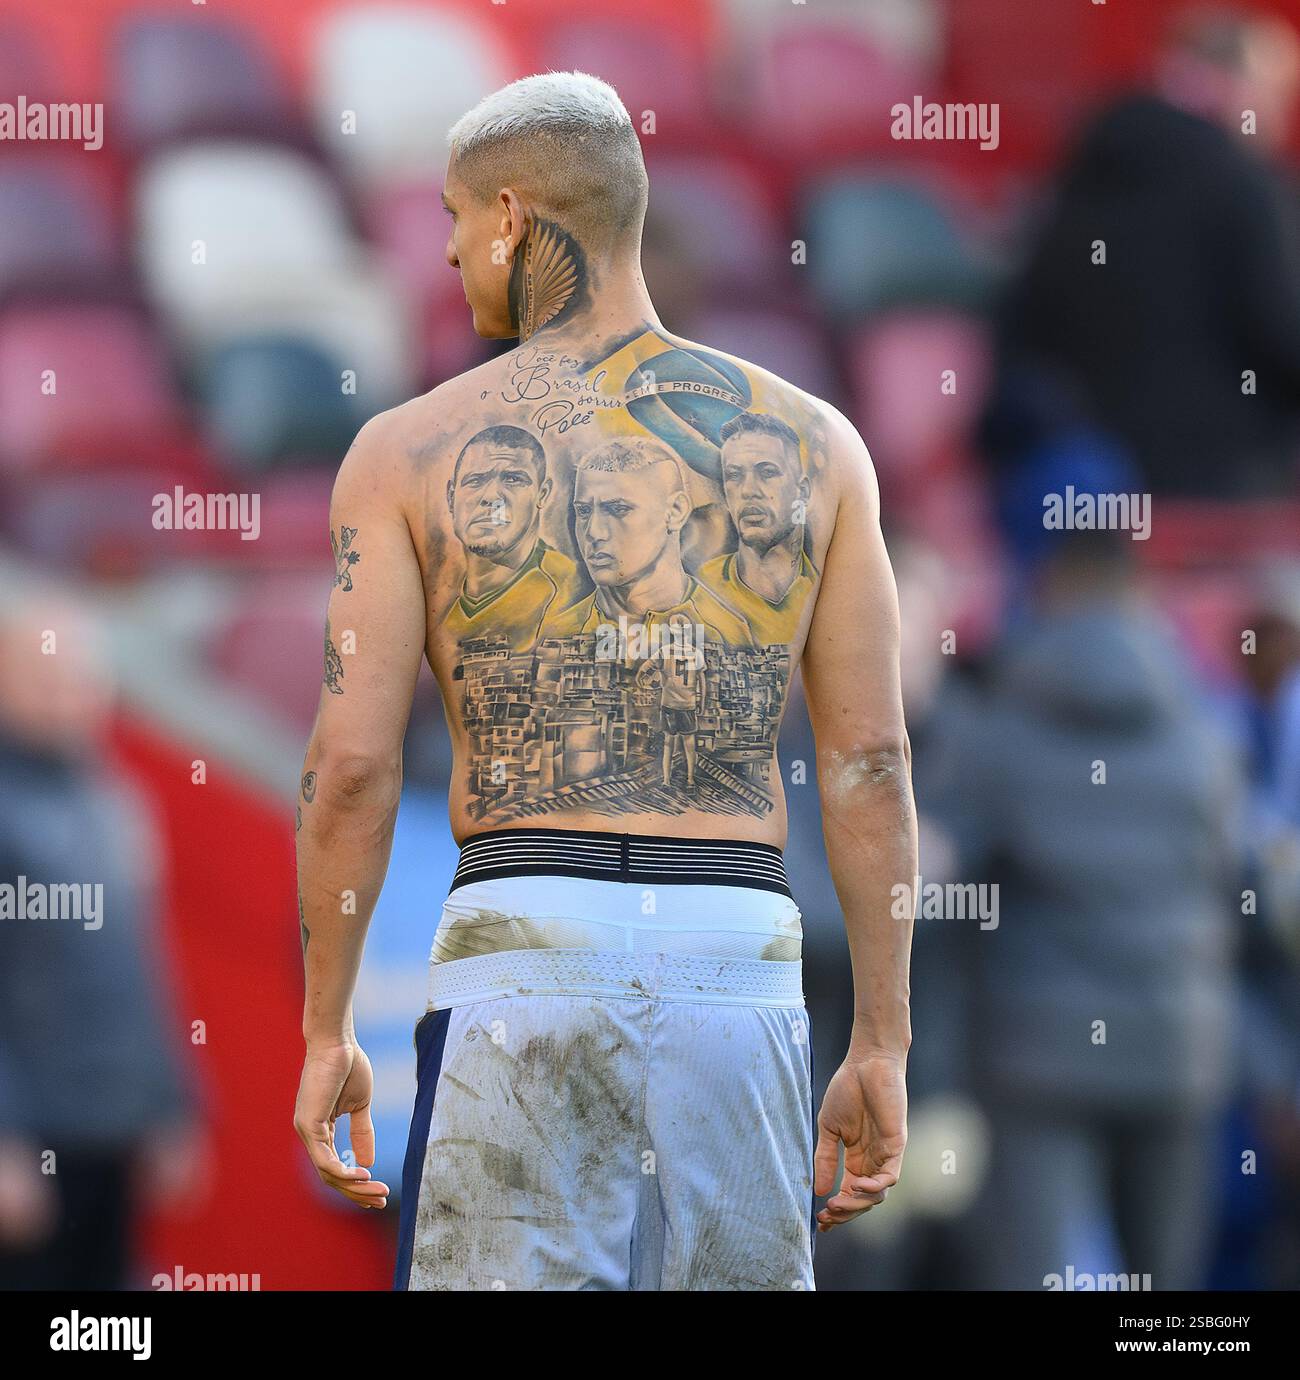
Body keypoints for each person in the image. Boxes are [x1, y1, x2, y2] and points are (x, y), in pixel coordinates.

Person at [292, 71, 916, 1291]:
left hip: (523, 950)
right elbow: (868, 762)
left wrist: (326, 1026)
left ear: (515, 217)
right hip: (740, 958)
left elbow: (354, 768)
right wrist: (883, 1042)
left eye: (457, 221)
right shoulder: (817, 445)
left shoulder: (406, 451)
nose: (454, 252)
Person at [989, 5, 1300, 497]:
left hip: (1090, 490)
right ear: (1229, 83)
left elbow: (1021, 321)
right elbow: (1284, 337)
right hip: (1224, 490)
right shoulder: (1243, 185)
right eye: (1272, 95)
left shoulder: (1080, 172)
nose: (1277, 118)